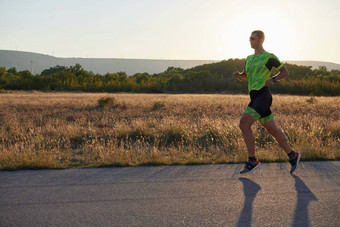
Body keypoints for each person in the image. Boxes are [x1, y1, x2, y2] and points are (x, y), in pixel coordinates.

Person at [232, 30, 301, 174]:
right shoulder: (249, 58)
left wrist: (274, 79)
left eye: (252, 38)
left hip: (263, 95)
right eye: (249, 38)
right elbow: (246, 77)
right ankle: (293, 155)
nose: (250, 40)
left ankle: (252, 160)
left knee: (244, 124)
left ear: (260, 40)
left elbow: (284, 72)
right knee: (272, 130)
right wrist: (238, 76)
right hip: (254, 96)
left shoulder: (269, 57)